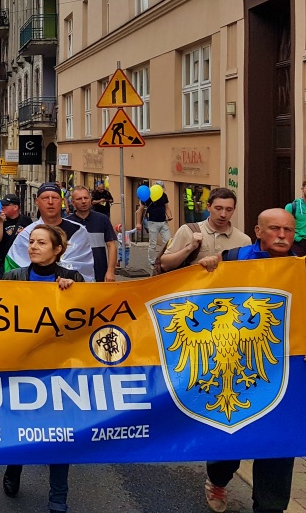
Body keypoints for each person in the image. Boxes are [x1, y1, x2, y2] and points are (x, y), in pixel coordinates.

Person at [0, 224, 80, 512]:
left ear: (58, 250)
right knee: (20, 425)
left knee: (59, 433)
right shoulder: (13, 277)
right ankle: (14, 466)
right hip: (20, 368)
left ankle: (58, 498)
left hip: (58, 370)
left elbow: (85, 319)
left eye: (41, 243)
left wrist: (73, 292)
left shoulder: (72, 278)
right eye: (32, 241)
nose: (33, 246)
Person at [200, 208, 298, 513]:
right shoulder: (233, 259)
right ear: (258, 231)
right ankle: (218, 478)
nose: (282, 235)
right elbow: (196, 294)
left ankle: (270, 508)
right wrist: (205, 268)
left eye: (288, 230)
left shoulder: (301, 266)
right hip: (236, 366)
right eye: (274, 229)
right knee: (231, 439)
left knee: (279, 444)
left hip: (285, 370)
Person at [4, 183, 94, 280]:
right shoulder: (26, 234)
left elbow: (86, 268)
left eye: (55, 198)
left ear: (62, 201)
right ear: (37, 201)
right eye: (45, 198)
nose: (50, 202)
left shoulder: (79, 231)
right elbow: (13, 268)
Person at [157, 188, 250, 273]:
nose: (223, 214)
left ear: (234, 210)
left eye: (229, 210)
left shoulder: (244, 240)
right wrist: (190, 248)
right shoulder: (188, 230)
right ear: (208, 207)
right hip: (193, 285)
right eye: (218, 208)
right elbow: (165, 265)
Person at [67, 186, 118, 282]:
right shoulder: (67, 223)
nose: (83, 201)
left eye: (86, 198)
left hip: (100, 273)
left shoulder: (102, 219)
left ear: (90, 200)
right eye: (79, 199)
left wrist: (110, 271)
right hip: (74, 275)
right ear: (73, 202)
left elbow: (111, 245)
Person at [138, 181, 172, 269]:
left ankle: (163, 259)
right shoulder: (148, 196)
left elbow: (166, 207)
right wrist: (138, 223)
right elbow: (140, 210)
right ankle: (152, 262)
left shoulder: (164, 195)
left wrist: (169, 215)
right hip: (152, 222)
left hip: (163, 222)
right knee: (153, 243)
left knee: (168, 241)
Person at [0, 194, 32, 267]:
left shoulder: (26, 220)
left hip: (20, 262)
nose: (2, 207)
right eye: (2, 205)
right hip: (3, 262)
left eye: (6, 205)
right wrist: (0, 222)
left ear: (15, 207)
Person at [283, 180, 306, 256]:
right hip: (298, 244)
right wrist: (296, 238)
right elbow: (284, 225)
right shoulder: (292, 207)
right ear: (302, 189)